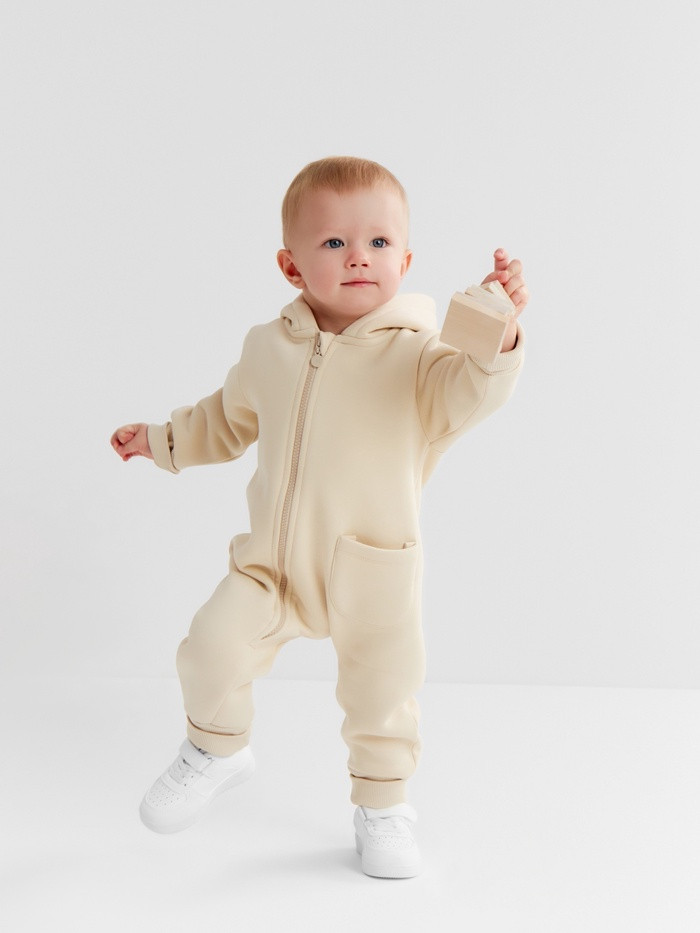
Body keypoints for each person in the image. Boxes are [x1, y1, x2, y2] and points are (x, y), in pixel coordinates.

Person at [110, 156, 528, 879]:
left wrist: (500, 332)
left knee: (382, 694)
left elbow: (472, 392)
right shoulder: (268, 349)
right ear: (291, 265)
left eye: (378, 242)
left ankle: (384, 805)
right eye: (334, 242)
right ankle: (216, 747)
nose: (358, 256)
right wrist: (162, 440)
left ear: (405, 261)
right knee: (209, 647)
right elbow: (225, 418)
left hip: (373, 566)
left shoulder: (420, 360)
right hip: (271, 564)